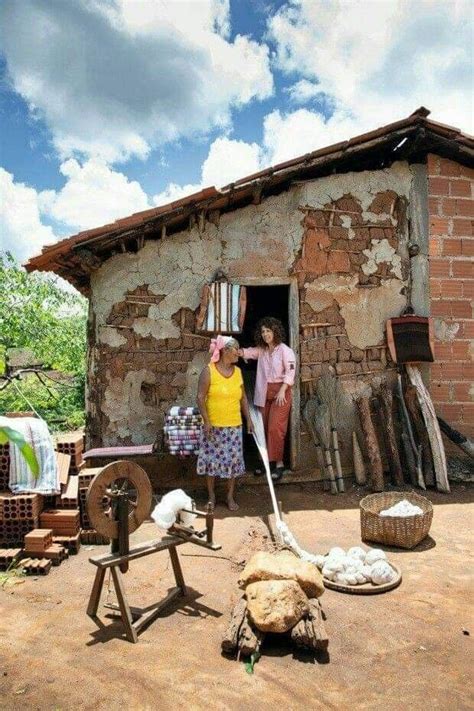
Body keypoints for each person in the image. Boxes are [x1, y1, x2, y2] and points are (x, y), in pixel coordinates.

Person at [197, 335, 252, 511]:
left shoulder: (238, 373)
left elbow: (243, 398)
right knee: (211, 462)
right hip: (213, 427)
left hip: (234, 426)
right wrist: (206, 421)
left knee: (232, 463)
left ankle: (229, 496)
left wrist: (249, 419)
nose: (239, 352)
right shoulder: (209, 371)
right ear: (225, 351)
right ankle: (211, 496)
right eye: (236, 349)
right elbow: (200, 397)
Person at [239, 317, 296, 481]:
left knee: (275, 428)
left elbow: (290, 371)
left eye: (268, 331)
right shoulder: (262, 350)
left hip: (281, 393)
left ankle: (278, 464)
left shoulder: (285, 350)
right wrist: (238, 351)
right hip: (263, 393)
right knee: (261, 428)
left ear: (275, 331)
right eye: (263, 332)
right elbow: (250, 352)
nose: (265, 334)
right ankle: (264, 462)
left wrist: (283, 390)